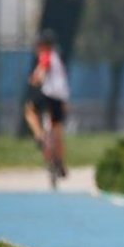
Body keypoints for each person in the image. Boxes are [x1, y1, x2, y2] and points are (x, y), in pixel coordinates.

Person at [24, 29, 70, 176]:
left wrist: (36, 79)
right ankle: (60, 162)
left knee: (29, 110)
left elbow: (42, 70)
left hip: (48, 95)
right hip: (60, 97)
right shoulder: (58, 58)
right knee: (57, 131)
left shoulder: (46, 55)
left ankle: (39, 136)